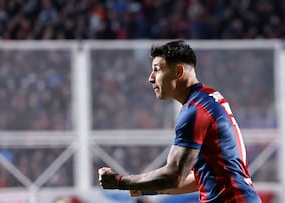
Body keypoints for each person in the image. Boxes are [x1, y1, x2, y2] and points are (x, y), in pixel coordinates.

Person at [98, 40, 262, 203]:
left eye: (157, 70)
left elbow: (173, 176)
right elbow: (196, 180)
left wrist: (120, 182)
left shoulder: (195, 110)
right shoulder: (209, 99)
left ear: (178, 71)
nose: (151, 78)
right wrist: (137, 188)